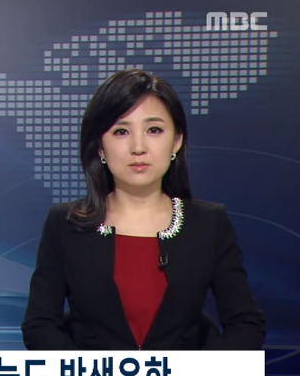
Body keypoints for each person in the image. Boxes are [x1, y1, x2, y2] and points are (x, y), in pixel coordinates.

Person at [21, 68, 265, 350]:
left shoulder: (209, 224)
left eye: (154, 130)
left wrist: (201, 374)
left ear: (176, 141)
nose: (138, 147)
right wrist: (91, 374)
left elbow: (246, 323)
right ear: (100, 147)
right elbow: (39, 325)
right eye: (121, 131)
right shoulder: (65, 224)